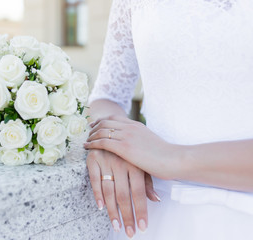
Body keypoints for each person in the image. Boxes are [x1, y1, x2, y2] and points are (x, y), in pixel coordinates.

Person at [84, 0, 253, 239]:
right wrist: (113, 140)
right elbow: (106, 96)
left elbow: (164, 156)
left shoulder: (167, 158)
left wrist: (170, 157)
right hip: (153, 216)